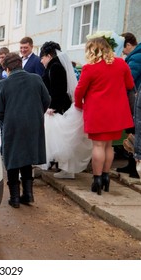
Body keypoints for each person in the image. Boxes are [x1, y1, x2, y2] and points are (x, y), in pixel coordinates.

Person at [74, 36, 135, 195]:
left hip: (97, 112)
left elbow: (80, 90)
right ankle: (106, 178)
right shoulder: (121, 63)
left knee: (98, 146)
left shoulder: (89, 68)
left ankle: (97, 179)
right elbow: (130, 85)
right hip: (117, 113)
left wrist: (79, 105)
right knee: (109, 146)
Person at [0, 52, 51, 208]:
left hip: (13, 125)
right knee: (27, 158)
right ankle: (28, 194)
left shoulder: (4, 84)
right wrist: (36, 114)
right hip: (33, 124)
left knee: (12, 159)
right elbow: (47, 100)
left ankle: (14, 199)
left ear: (7, 68)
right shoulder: (36, 79)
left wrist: (6, 121)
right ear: (20, 64)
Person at [39, 41, 88, 179]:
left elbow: (58, 90)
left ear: (49, 55)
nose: (41, 61)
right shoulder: (56, 65)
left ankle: (67, 170)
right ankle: (65, 168)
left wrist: (52, 106)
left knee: (63, 140)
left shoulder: (55, 67)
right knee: (60, 140)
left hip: (58, 108)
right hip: (58, 106)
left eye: (42, 57)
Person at [116, 32, 141, 178]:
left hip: (135, 99)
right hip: (135, 98)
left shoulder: (136, 58)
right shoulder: (135, 57)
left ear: (129, 45)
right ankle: (131, 165)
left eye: (123, 48)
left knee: (135, 133)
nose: (123, 52)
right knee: (133, 132)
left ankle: (134, 167)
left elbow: (128, 79)